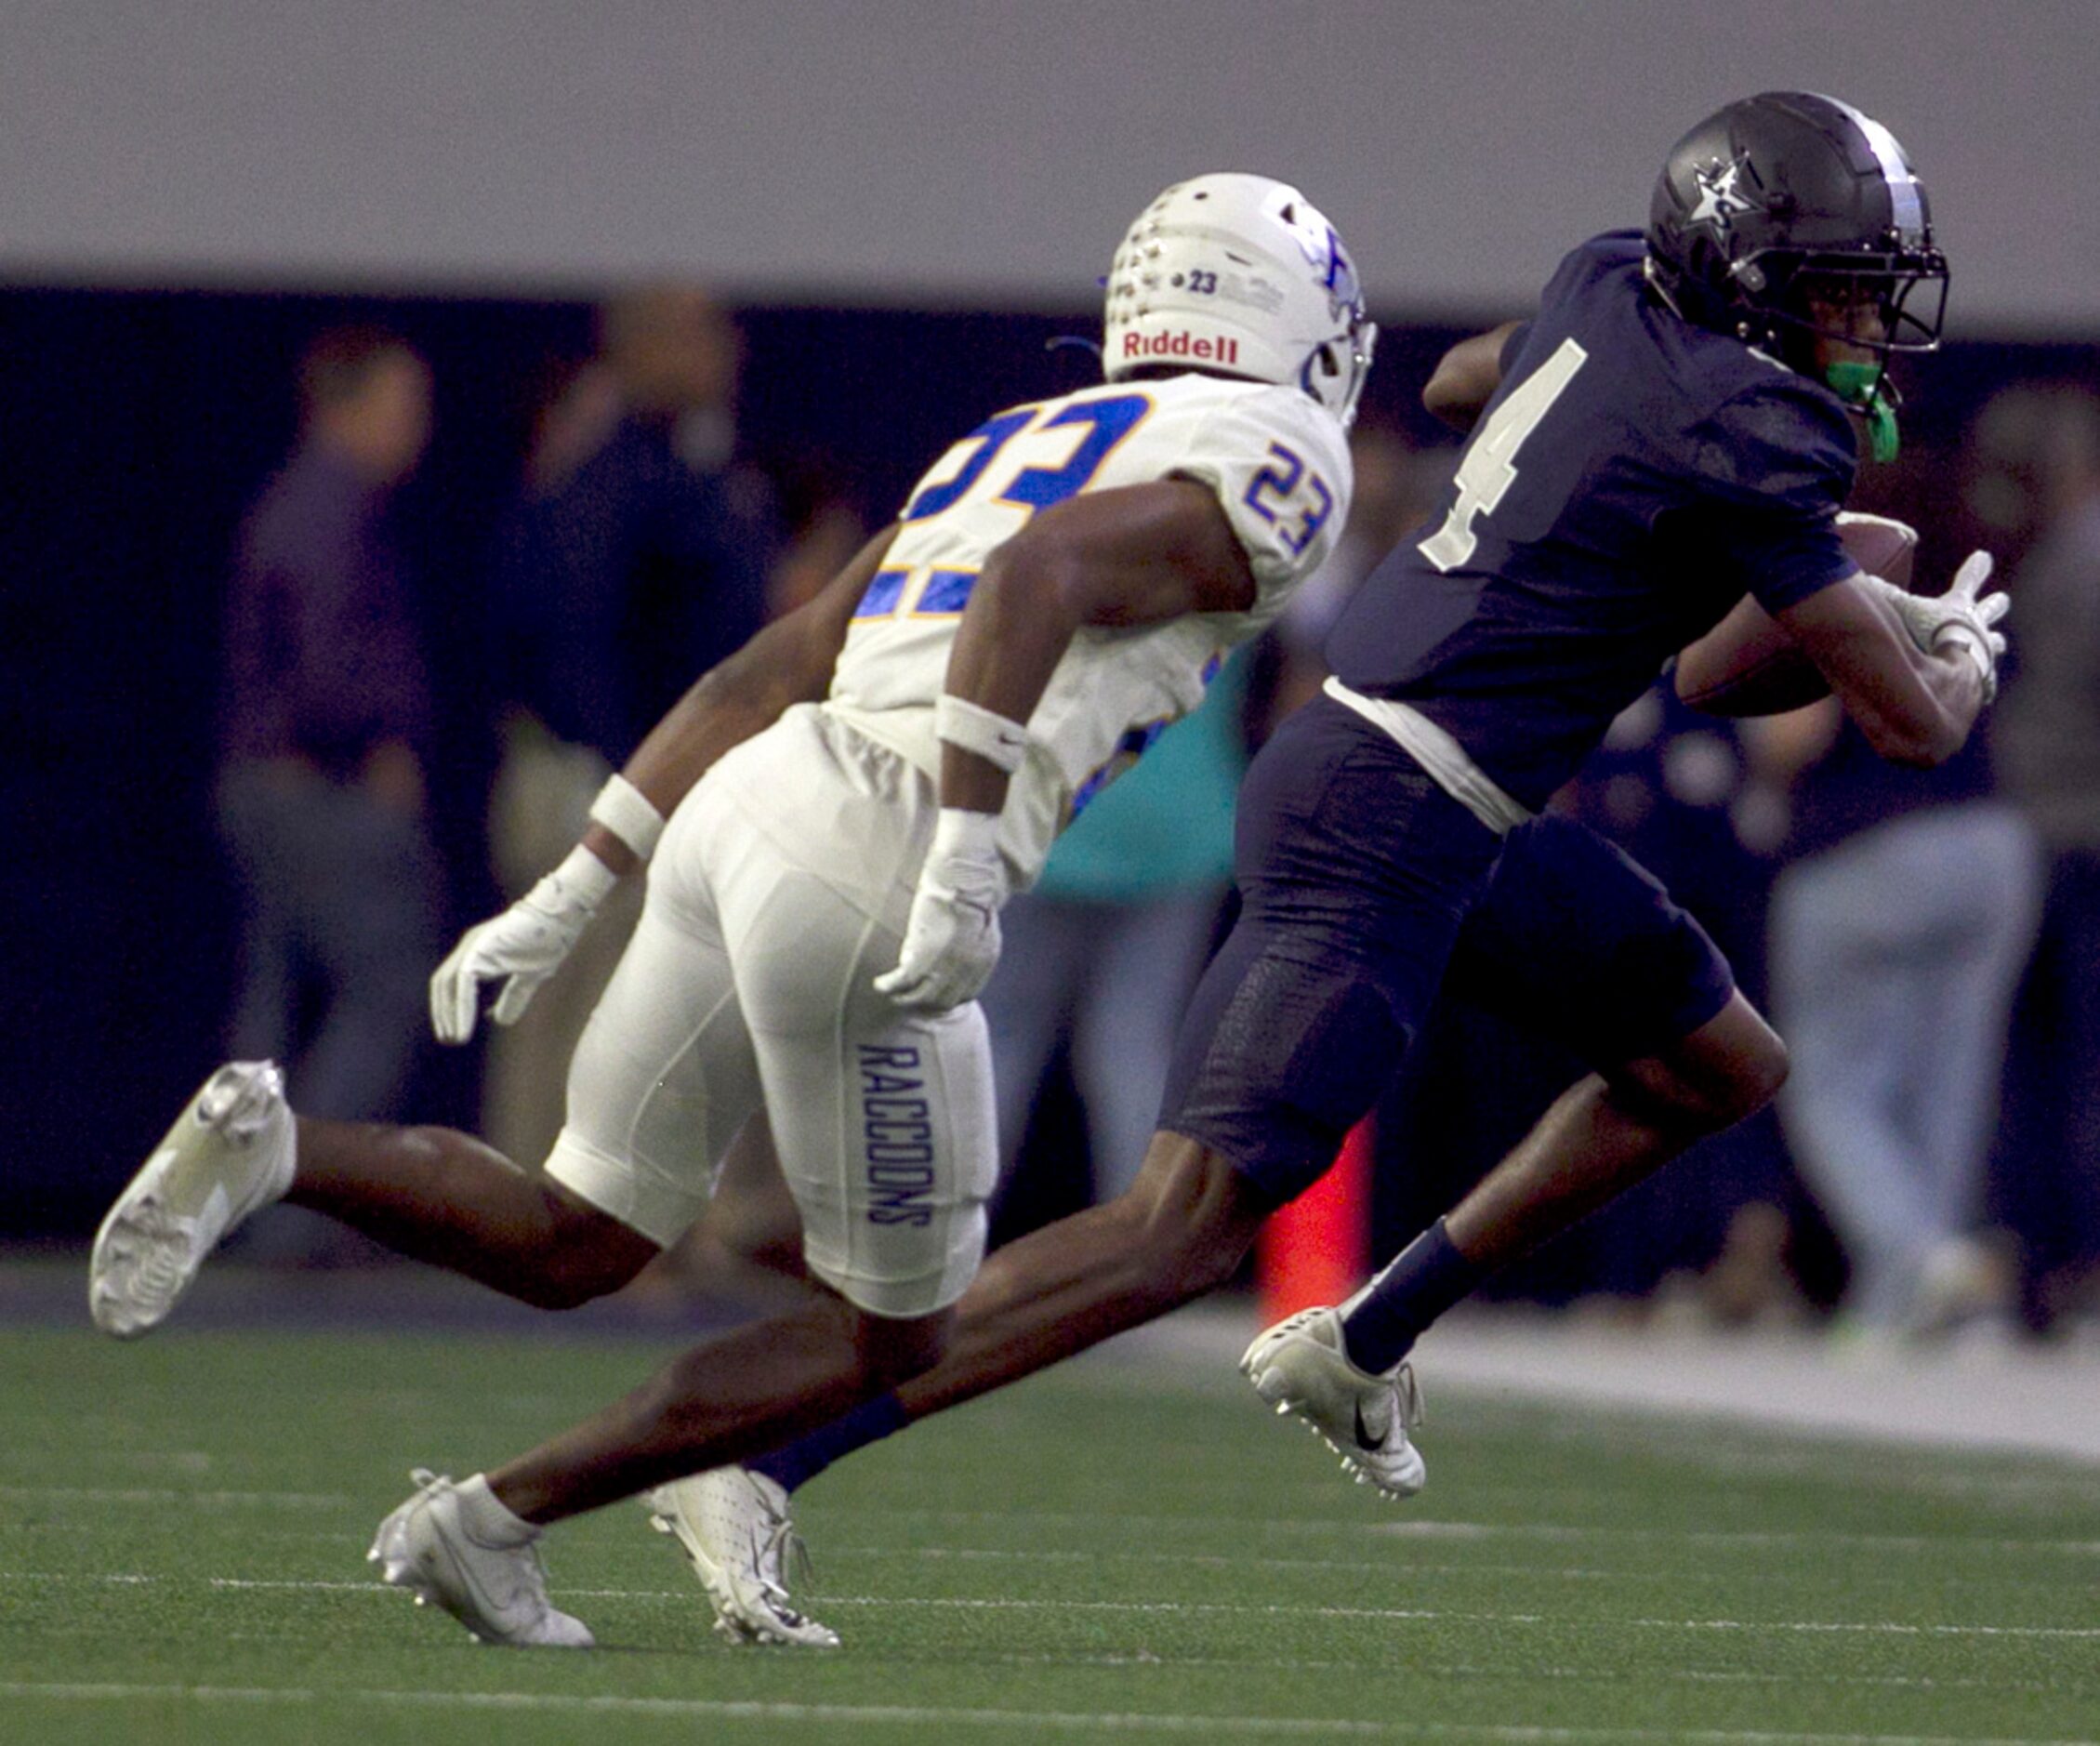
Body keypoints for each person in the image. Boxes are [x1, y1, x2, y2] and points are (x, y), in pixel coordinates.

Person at [641, 89, 2011, 1648]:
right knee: (1173, 1230)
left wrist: (1641, 490)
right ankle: (762, 1448)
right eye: (1835, 284)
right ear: (1750, 276)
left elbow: (1456, 385)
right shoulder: (1754, 426)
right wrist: (1943, 644)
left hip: (1440, 792)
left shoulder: (1601, 282)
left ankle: (1360, 1336)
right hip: (1390, 808)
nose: (1861, 320)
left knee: (1710, 1060)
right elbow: (1906, 724)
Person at [86, 174, 1374, 1647]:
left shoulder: (1018, 437)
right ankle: (487, 1517)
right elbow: (1043, 574)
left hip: (748, 804)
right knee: (900, 1329)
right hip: (875, 846)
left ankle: (281, 1145)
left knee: (574, 1235)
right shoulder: (1271, 450)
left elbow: (765, 671)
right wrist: (957, 852)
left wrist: (578, 885)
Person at [214, 327, 445, 1130]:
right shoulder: (327, 509)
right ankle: (308, 1202)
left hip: (277, 784)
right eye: (403, 404)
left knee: (274, 1008)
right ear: (345, 407)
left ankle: (223, 1196)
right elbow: (325, 662)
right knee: (385, 980)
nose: (418, 424)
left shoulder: (307, 502)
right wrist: (375, 747)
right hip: (316, 787)